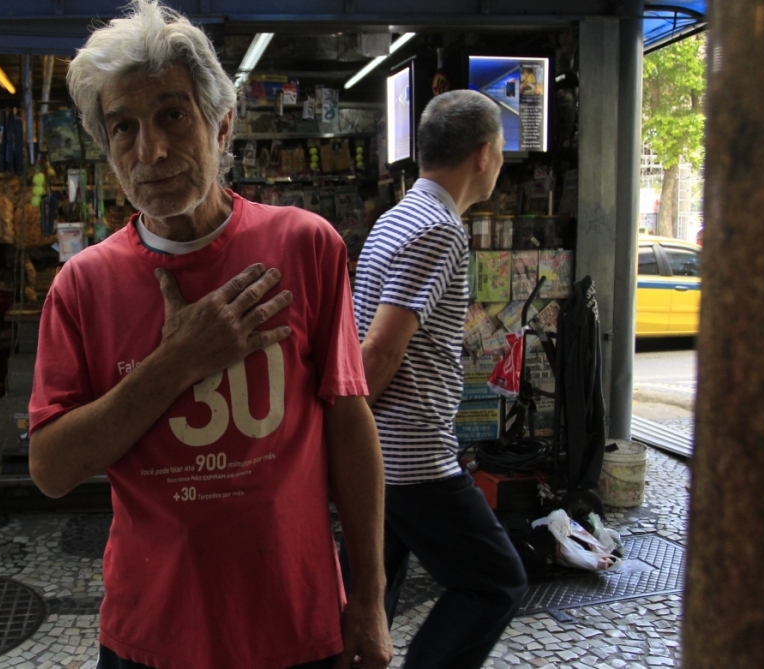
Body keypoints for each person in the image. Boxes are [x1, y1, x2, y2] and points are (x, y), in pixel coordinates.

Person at [29, 2, 391, 668]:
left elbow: (346, 417)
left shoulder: (306, 246)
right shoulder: (83, 286)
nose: (151, 151)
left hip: (296, 621)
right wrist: (178, 361)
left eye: (172, 115)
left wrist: (368, 600)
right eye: (124, 128)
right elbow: (50, 468)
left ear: (221, 127)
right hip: (154, 635)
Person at [350, 90, 529, 669]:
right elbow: (378, 350)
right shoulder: (436, 228)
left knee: (369, 599)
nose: (501, 161)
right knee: (495, 583)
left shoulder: (400, 217)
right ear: (483, 155)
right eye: (501, 148)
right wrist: (343, 434)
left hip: (384, 452)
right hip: (411, 457)